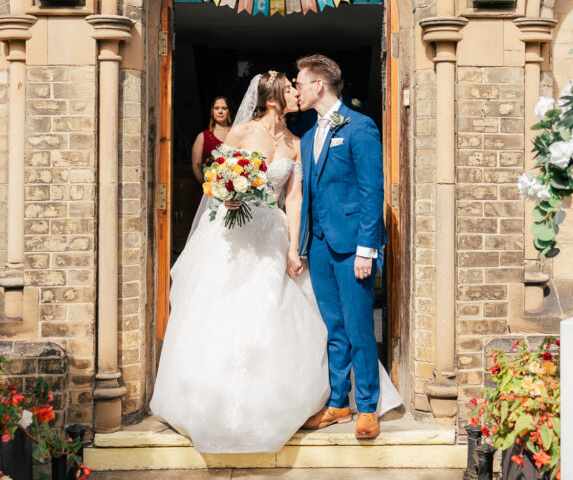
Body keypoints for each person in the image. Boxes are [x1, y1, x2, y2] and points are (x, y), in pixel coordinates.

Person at [150, 71, 400, 454]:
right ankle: (207, 400)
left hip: (273, 235)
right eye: (289, 89)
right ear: (272, 100)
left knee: (289, 314)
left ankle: (344, 403)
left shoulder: (298, 141)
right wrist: (226, 197)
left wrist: (293, 248)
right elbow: (217, 179)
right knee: (223, 312)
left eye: (299, 86)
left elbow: (295, 198)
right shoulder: (241, 133)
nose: (296, 93)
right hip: (232, 237)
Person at [295, 53, 387, 440]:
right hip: (318, 246)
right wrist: (301, 247)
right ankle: (338, 402)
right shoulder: (306, 135)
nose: (296, 89)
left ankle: (367, 407)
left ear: (319, 85)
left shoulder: (360, 127)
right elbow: (309, 196)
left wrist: (368, 248)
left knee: (359, 327)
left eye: (299, 83)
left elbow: (372, 191)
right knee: (333, 327)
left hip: (351, 246)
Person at [191, 96, 231, 183]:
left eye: (224, 108)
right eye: (216, 108)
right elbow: (196, 167)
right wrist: (209, 188)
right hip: (207, 191)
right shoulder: (202, 137)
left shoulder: (235, 134)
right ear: (212, 111)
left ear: (228, 112)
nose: (220, 111)